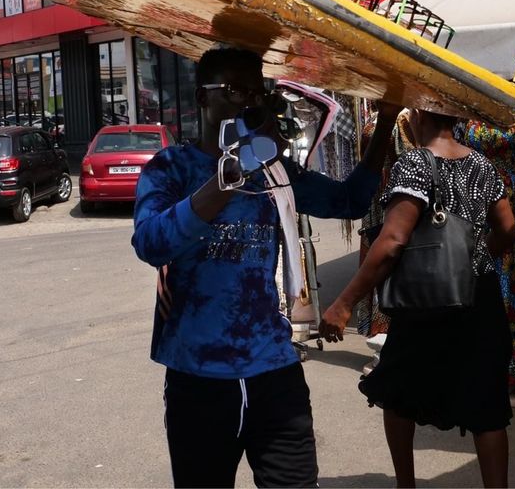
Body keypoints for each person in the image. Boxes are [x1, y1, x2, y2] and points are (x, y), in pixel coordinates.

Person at [132, 46, 398, 488]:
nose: (249, 103)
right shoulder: (172, 168)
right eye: (235, 90)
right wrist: (225, 179)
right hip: (198, 376)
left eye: (258, 93)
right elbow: (151, 244)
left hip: (273, 368)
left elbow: (349, 201)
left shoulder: (276, 173)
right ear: (203, 98)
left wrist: (387, 119)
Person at [320, 109, 515, 489]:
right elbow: (508, 230)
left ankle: (406, 485)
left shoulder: (413, 162)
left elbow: (392, 241)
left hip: (427, 300)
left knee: (397, 390)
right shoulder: (481, 163)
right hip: (480, 298)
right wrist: (470, 261)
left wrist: (343, 302)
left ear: (418, 119)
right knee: (487, 407)